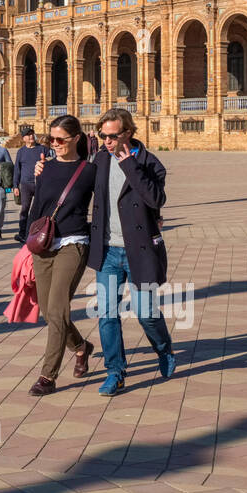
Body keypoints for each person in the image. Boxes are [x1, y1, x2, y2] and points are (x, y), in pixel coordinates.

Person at [89, 107, 174, 396]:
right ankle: (115, 372)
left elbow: (155, 198)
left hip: (140, 251)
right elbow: (76, 186)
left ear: (128, 133)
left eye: (112, 136)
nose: (107, 142)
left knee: (146, 312)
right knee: (107, 314)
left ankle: (164, 349)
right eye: (103, 136)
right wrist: (44, 170)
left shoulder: (150, 163)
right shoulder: (100, 159)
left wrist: (130, 167)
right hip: (108, 251)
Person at [23, 115, 98, 395]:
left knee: (57, 310)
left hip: (74, 243)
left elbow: (105, 204)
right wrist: (26, 247)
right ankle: (81, 347)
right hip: (44, 244)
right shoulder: (45, 168)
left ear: (76, 138)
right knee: (47, 311)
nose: (54, 145)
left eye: (60, 140)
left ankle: (47, 376)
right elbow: (37, 208)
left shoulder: (90, 171)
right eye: (50, 139)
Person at [12, 126, 47, 244]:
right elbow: (17, 169)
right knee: (24, 209)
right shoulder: (21, 151)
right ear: (23, 138)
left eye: (32, 134)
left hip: (40, 185)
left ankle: (38, 233)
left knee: (39, 210)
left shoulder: (42, 149)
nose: (31, 136)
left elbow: (51, 163)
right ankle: (22, 233)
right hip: (25, 185)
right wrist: (15, 186)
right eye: (28, 135)